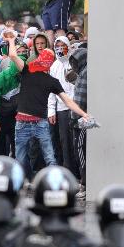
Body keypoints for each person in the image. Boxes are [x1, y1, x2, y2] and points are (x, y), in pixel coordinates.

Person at [6, 36, 88, 181]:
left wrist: (83, 114)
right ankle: (28, 181)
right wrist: (11, 40)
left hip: (37, 122)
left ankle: (50, 183)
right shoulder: (28, 71)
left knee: (45, 156)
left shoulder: (50, 80)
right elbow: (12, 55)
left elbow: (68, 101)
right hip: (26, 121)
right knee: (30, 157)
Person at [0, 40, 28, 158]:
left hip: (16, 115)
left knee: (17, 144)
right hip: (1, 115)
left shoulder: (26, 76)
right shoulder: (1, 78)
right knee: (0, 146)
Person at [49, 36, 78, 176]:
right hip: (61, 109)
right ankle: (68, 172)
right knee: (64, 141)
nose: (60, 48)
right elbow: (51, 91)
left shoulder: (74, 63)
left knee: (76, 141)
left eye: (63, 45)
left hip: (76, 108)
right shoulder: (54, 66)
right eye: (58, 46)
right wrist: (51, 111)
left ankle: (79, 173)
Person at [67, 46, 88, 200]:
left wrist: (74, 117)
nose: (73, 65)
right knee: (80, 151)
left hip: (81, 121)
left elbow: (81, 99)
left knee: (80, 151)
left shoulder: (86, 73)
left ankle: (85, 184)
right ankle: (83, 182)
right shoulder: (84, 72)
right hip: (80, 119)